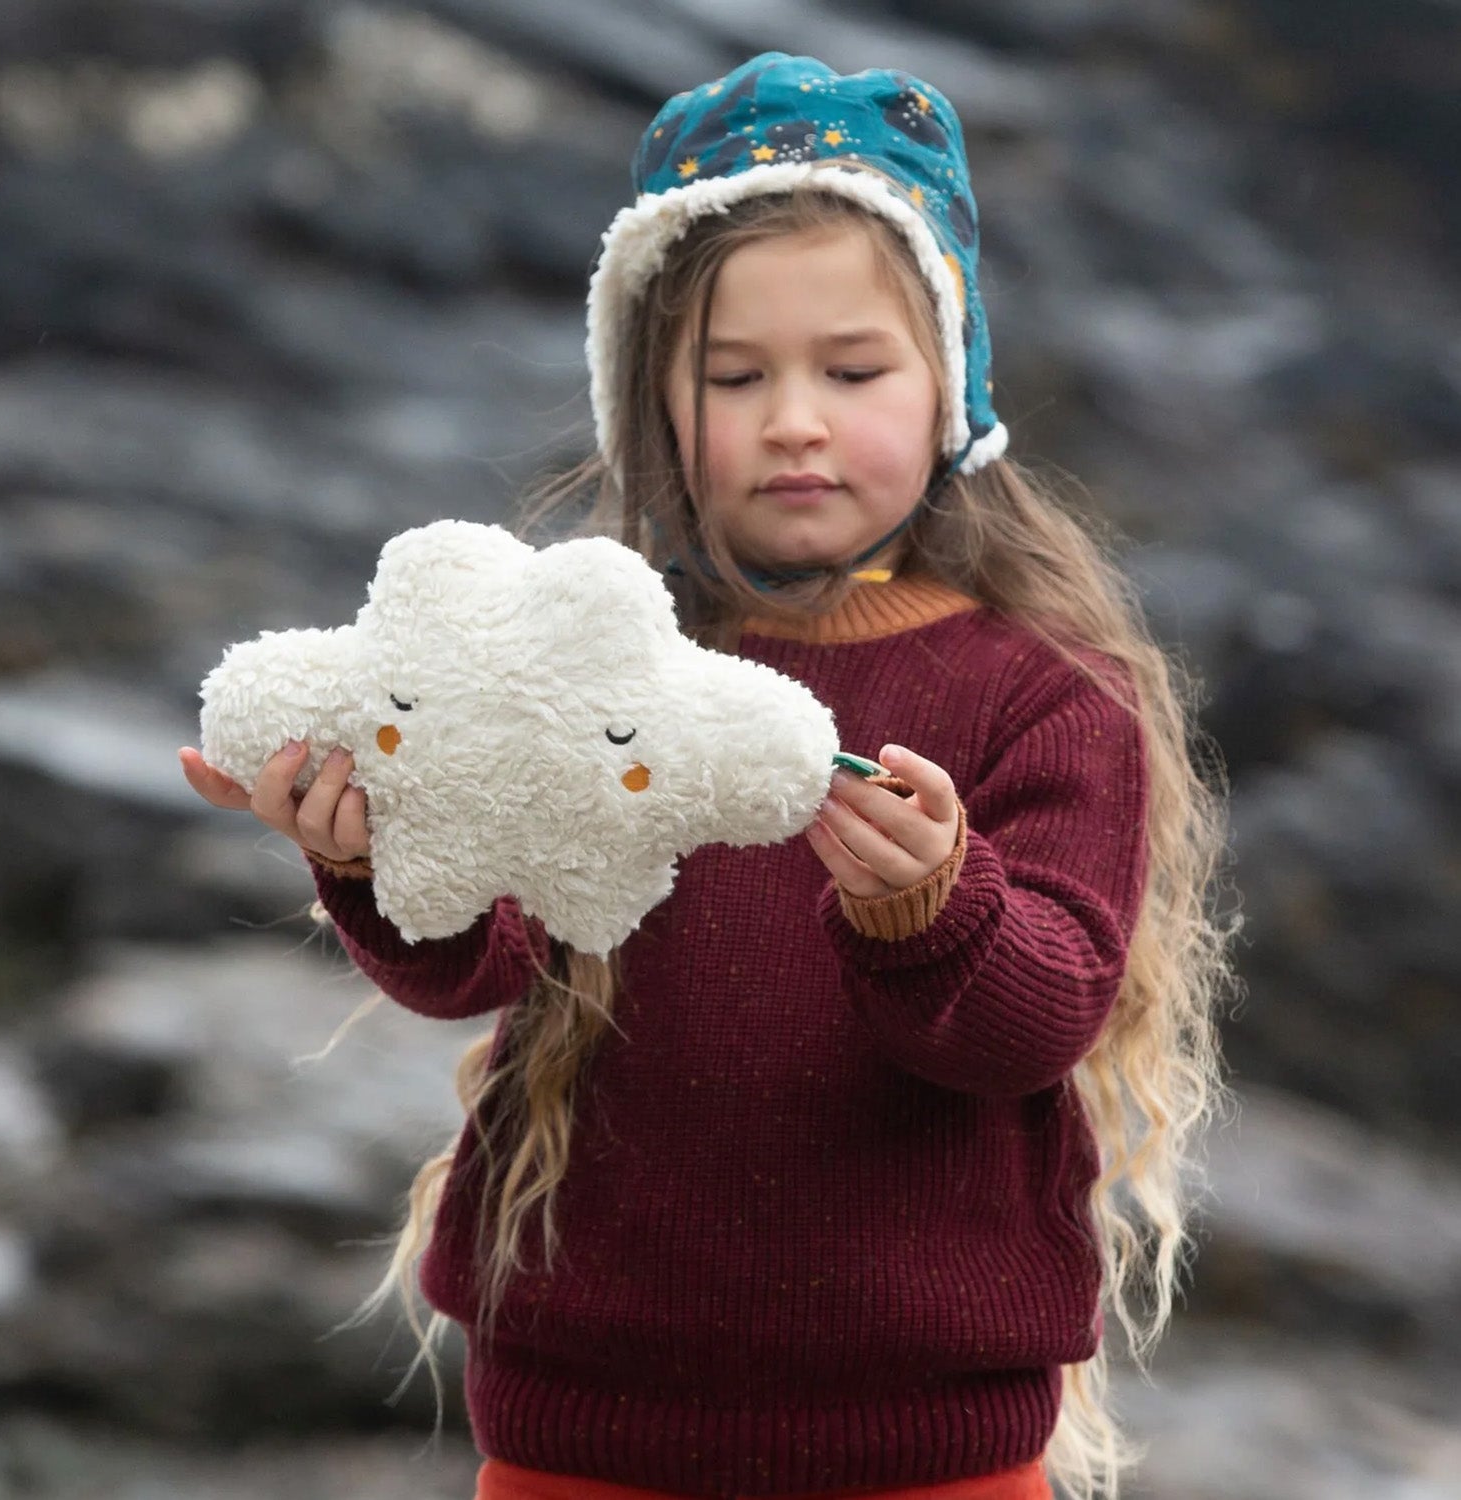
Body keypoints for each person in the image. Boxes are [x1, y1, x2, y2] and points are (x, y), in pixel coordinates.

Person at [181, 51, 1238, 1500]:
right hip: (583, 1423)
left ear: (952, 379)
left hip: (924, 1443)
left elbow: (1036, 1021)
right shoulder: (590, 658)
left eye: (853, 369)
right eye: (735, 377)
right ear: (655, 406)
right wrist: (371, 860)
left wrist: (934, 903)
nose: (793, 418)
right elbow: (483, 961)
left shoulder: (1044, 695)